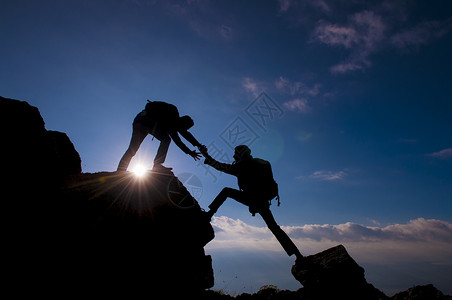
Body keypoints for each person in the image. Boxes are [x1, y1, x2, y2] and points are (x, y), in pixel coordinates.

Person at [200, 145, 302, 259]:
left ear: (240, 154)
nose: (233, 156)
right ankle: (298, 255)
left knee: (226, 191)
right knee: (274, 227)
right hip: (263, 200)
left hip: (251, 198)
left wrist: (206, 155)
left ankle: (209, 214)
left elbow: (220, 167)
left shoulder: (241, 166)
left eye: (235, 154)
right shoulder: (262, 163)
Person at [117, 101, 203, 171]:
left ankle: (157, 165)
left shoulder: (173, 128)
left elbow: (179, 141)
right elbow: (149, 105)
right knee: (133, 148)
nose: (180, 131)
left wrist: (192, 150)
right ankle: (121, 170)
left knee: (166, 139)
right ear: (182, 122)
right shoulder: (173, 111)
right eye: (182, 128)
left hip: (147, 125)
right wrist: (152, 117)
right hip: (142, 121)